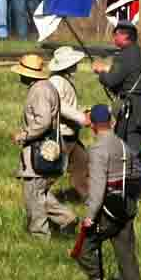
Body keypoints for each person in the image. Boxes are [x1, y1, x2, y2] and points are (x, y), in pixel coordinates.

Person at [73, 105, 141, 280]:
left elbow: (97, 187)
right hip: (126, 205)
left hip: (106, 209)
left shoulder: (97, 150)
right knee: (125, 249)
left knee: (84, 249)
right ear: (111, 122)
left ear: (93, 126)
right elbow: (137, 173)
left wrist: (90, 216)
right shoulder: (123, 146)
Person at [11, 54, 77, 239]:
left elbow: (43, 121)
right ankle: (67, 218)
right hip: (51, 148)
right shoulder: (47, 86)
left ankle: (40, 237)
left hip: (39, 152)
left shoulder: (39, 90)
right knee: (40, 193)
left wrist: (24, 135)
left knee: (33, 196)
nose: (20, 77)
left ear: (28, 74)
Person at [93, 20, 141, 152]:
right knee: (128, 149)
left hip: (132, 111)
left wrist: (101, 72)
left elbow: (111, 81)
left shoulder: (124, 55)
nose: (114, 38)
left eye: (116, 34)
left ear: (125, 36)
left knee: (128, 153)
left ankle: (136, 172)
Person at [48, 46, 90, 199]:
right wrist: (81, 118)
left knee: (82, 163)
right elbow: (61, 105)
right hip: (61, 134)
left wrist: (84, 111)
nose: (76, 65)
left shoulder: (63, 80)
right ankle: (39, 195)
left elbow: (69, 105)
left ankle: (89, 198)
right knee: (54, 169)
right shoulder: (57, 81)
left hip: (70, 134)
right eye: (74, 63)